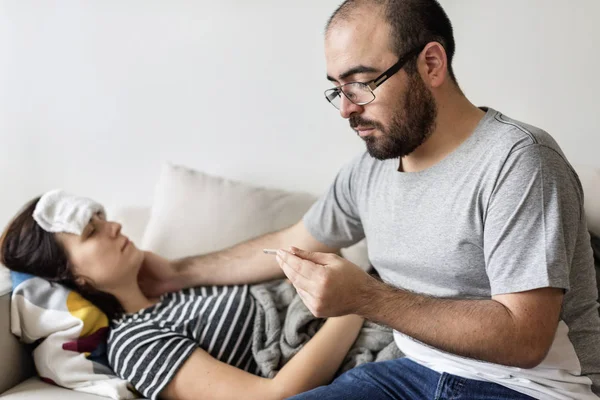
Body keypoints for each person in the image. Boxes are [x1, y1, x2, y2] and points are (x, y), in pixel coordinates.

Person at [134, 1, 600, 399]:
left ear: (431, 64)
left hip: (530, 386)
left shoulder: (519, 161)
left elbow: (525, 338)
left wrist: (365, 297)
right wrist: (175, 273)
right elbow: (295, 239)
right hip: (413, 371)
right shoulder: (371, 167)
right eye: (337, 88)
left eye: (360, 84)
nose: (345, 108)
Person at [0, 196, 364, 400]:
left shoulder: (173, 289)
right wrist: (357, 303)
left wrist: (174, 273)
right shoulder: (134, 342)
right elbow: (273, 395)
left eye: (102, 217)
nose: (115, 226)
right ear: (73, 276)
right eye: (93, 231)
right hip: (358, 331)